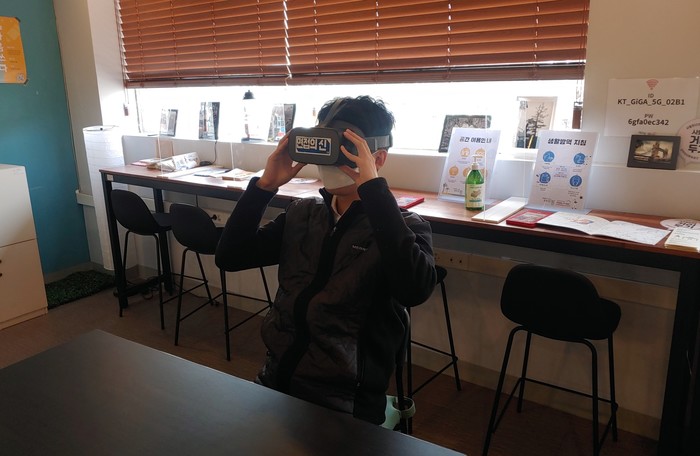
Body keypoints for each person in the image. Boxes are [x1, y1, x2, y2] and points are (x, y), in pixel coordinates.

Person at [215, 95, 437, 425]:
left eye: (346, 150)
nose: (332, 162)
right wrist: (264, 186)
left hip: (346, 399)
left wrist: (375, 192)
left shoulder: (404, 227)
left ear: (377, 157)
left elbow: (414, 289)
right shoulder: (302, 214)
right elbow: (230, 256)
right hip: (277, 377)